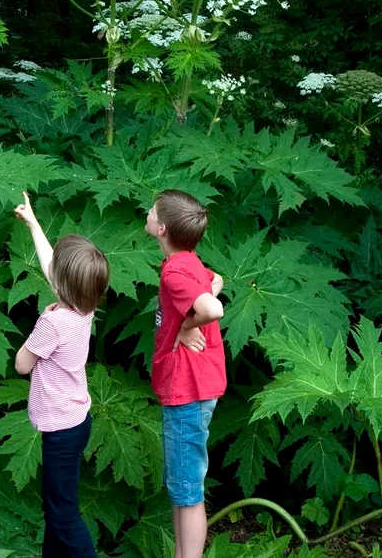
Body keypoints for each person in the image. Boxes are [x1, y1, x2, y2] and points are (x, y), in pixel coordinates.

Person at [13, 191, 109, 558]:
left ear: (61, 287)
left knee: (63, 514)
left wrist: (37, 329)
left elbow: (23, 364)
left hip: (60, 432)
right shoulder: (83, 311)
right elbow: (53, 265)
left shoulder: (52, 321)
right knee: (55, 511)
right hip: (75, 421)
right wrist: (34, 222)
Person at [144, 189, 226, 558]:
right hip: (195, 388)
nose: (146, 213)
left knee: (188, 490)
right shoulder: (189, 261)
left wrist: (185, 324)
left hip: (187, 391)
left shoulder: (176, 270)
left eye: (151, 210)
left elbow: (213, 306)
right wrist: (185, 321)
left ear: (161, 228)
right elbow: (217, 280)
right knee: (181, 485)